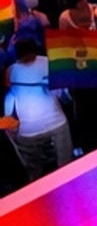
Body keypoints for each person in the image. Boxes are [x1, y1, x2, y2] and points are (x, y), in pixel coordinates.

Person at [3, 23, 71, 177]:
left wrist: (8, 122)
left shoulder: (11, 70)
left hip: (27, 130)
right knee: (66, 169)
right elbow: (62, 93)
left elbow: (9, 98)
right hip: (56, 124)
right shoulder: (49, 62)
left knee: (35, 173)